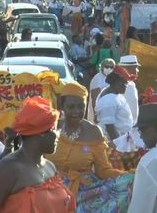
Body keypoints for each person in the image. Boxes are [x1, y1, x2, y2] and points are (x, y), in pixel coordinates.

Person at [47, 82, 135, 212]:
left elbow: (103, 170)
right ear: (62, 106)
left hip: (84, 193)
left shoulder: (94, 132)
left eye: (81, 107)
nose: (76, 112)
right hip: (49, 189)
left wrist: (130, 175)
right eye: (71, 107)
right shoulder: (50, 127)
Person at [0, 96, 75, 213]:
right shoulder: (8, 169)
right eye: (54, 129)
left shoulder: (50, 166)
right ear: (39, 134)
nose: (58, 135)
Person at [95, 66, 134, 140]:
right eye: (125, 84)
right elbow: (110, 128)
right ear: (117, 83)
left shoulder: (114, 94)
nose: (126, 87)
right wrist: (118, 146)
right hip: (115, 142)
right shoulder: (108, 100)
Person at [118, 55, 141, 122]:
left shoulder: (131, 84)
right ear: (128, 69)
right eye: (135, 68)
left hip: (131, 125)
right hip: (123, 125)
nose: (137, 71)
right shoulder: (119, 85)